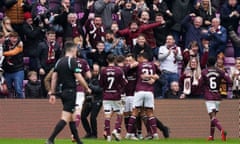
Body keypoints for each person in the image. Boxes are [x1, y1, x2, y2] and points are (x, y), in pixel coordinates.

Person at [46, 41, 91, 144]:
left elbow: (54, 78)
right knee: (65, 117)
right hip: (71, 92)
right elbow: (79, 77)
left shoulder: (59, 61)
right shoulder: (72, 61)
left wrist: (53, 93)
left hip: (63, 92)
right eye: (76, 50)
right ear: (73, 50)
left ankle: (78, 141)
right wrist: (87, 88)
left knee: (72, 117)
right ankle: (50, 139)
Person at [126, 52, 160, 140]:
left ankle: (129, 133)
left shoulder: (139, 65)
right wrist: (153, 78)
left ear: (141, 57)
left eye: (138, 58)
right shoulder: (153, 65)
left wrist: (147, 76)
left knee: (134, 112)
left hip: (140, 90)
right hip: (149, 92)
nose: (137, 60)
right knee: (150, 113)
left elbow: (138, 74)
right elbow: (159, 74)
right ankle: (155, 134)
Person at [199, 57, 232, 141]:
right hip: (217, 96)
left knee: (212, 117)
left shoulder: (204, 72)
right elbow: (229, 80)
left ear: (207, 63)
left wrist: (204, 90)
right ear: (215, 63)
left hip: (209, 96)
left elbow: (199, 83)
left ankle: (222, 130)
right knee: (213, 118)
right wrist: (224, 88)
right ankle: (211, 136)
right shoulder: (220, 71)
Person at [99, 54, 127, 141]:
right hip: (116, 95)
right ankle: (116, 130)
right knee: (120, 113)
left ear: (107, 60)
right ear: (114, 60)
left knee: (107, 116)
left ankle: (108, 136)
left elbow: (100, 84)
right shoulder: (119, 70)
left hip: (106, 95)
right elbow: (124, 83)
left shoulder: (103, 71)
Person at [81, 63, 103, 138]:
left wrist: (89, 86)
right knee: (83, 116)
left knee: (93, 117)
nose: (96, 72)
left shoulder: (101, 78)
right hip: (89, 99)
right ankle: (88, 132)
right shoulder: (88, 78)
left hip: (98, 99)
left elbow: (99, 89)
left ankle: (94, 134)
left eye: (97, 71)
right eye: (94, 71)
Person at [2, 32, 24, 98]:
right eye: (13, 38)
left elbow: (13, 52)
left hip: (18, 70)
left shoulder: (20, 44)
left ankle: (23, 105)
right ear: (10, 38)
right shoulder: (5, 43)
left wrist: (2, 53)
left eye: (16, 38)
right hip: (7, 71)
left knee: (18, 90)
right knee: (7, 90)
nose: (15, 40)